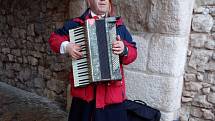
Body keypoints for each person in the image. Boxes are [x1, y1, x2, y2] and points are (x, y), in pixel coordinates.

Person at [48, 0, 137, 121]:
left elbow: (133, 53)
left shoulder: (119, 26)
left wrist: (124, 49)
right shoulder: (76, 24)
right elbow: (54, 38)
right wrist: (67, 46)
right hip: (84, 99)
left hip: (111, 98)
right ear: (89, 1)